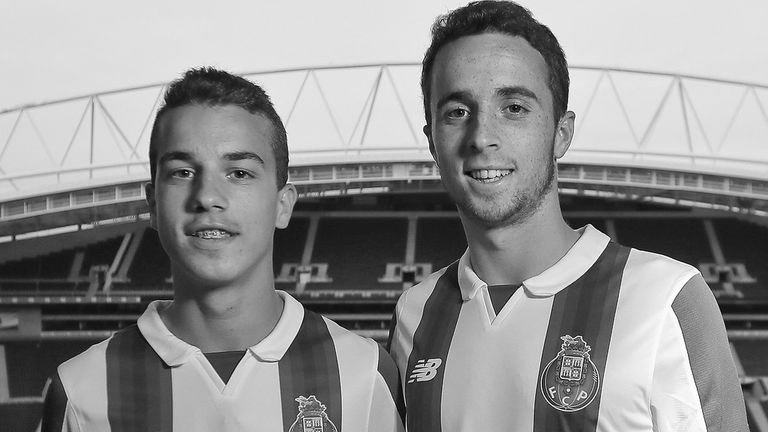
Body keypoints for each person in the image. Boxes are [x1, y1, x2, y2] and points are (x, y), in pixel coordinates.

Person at [387, 2, 748, 431]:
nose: (482, 137)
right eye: (457, 112)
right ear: (432, 141)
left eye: (514, 108)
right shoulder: (414, 314)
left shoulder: (665, 299)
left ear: (562, 133)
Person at [42, 67, 405, 432]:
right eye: (182, 172)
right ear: (153, 204)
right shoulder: (80, 391)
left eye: (239, 173)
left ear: (283, 205)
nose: (208, 196)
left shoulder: (364, 372)